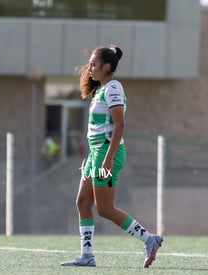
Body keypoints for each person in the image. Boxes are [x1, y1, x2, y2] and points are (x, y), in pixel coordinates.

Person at [60, 46, 163, 268]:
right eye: (90, 65)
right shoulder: (102, 89)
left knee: (105, 208)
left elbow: (120, 125)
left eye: (94, 65)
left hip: (106, 153)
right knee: (83, 202)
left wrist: (107, 158)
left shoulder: (113, 88)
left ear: (107, 67)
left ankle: (150, 240)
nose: (90, 68)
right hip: (96, 153)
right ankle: (87, 256)